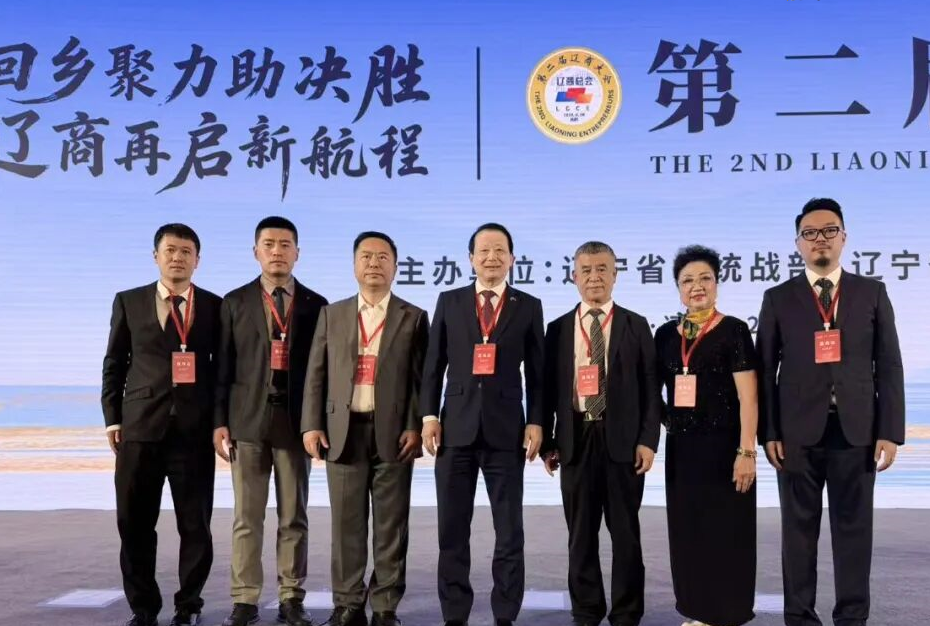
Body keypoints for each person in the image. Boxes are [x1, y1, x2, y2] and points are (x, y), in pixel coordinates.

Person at [757, 198, 904, 626]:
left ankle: (852, 619)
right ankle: (799, 617)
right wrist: (769, 432)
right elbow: (765, 371)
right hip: (796, 434)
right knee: (797, 534)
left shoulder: (871, 292)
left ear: (843, 237)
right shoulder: (778, 298)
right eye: (810, 233)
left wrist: (889, 429)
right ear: (798, 244)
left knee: (854, 533)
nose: (819, 239)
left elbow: (889, 363)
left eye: (828, 230)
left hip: (857, 431)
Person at [420, 223, 545, 626]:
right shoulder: (450, 301)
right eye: (484, 250)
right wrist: (429, 416)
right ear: (471, 258)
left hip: (507, 431)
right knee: (452, 531)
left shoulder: (528, 305)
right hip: (454, 429)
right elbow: (433, 364)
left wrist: (537, 420)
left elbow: (538, 373)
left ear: (512, 259)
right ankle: (455, 614)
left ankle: (505, 614)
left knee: (509, 532)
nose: (492, 257)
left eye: (500, 250)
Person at [302, 231, 429, 626]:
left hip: (394, 434)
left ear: (395, 266)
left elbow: (420, 380)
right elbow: (316, 374)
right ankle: (348, 604)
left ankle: (386, 606)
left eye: (382, 257)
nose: (374, 263)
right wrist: (311, 424)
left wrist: (414, 425)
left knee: (391, 525)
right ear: (354, 264)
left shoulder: (414, 316)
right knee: (346, 525)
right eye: (366, 256)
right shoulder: (333, 314)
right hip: (343, 431)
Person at [102, 223, 221, 626]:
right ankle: (143, 608)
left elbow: (222, 371)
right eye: (170, 250)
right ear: (156, 256)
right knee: (134, 523)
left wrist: (220, 422)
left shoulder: (214, 306)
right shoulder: (129, 301)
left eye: (186, 251)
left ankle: (189, 605)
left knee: (196, 525)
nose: (178, 257)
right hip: (139, 428)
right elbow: (114, 364)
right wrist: (112, 419)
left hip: (194, 432)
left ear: (197, 260)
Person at [213, 216, 328, 626]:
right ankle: (245, 600)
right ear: (255, 251)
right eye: (269, 244)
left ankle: (291, 597)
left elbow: (323, 372)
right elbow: (222, 367)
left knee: (294, 516)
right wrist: (219, 422)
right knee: (247, 517)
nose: (277, 251)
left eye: (284, 244)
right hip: (246, 422)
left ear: (297, 252)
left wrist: (319, 422)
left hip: (296, 424)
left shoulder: (317, 304)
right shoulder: (235, 301)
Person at [541, 241, 660, 626]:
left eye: (602, 269)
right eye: (586, 270)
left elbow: (650, 388)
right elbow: (546, 390)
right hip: (575, 440)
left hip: (623, 441)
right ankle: (586, 610)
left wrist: (648, 440)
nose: (594, 277)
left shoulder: (636, 324)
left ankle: (626, 613)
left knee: (626, 534)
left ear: (615, 275)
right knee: (580, 534)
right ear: (574, 276)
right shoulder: (558, 328)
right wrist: (548, 442)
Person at [654, 245, 758, 626]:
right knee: (688, 531)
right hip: (682, 450)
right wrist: (667, 420)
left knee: (726, 532)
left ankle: (726, 614)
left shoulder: (734, 330)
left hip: (726, 449)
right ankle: (697, 611)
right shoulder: (665, 335)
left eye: (704, 278)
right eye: (687, 281)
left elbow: (749, 398)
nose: (696, 286)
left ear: (716, 283)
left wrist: (747, 452)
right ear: (678, 288)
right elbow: (651, 389)